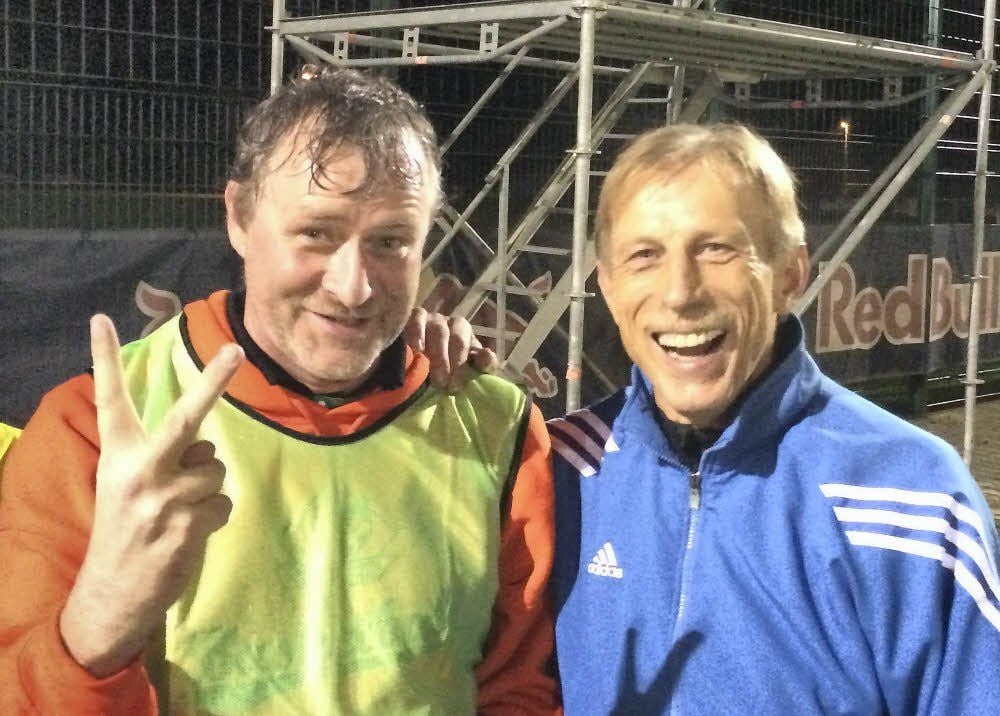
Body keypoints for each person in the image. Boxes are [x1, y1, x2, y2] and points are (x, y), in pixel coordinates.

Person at [0, 66, 557, 714]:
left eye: (390, 242)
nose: (353, 286)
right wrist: (97, 628)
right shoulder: (89, 428)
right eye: (317, 233)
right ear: (239, 217)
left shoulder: (496, 426)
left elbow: (520, 691)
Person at [547, 123, 1000, 714]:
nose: (680, 293)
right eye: (644, 256)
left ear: (791, 273)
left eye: (717, 249)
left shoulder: (916, 496)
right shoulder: (557, 471)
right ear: (607, 286)